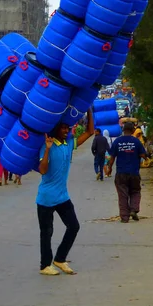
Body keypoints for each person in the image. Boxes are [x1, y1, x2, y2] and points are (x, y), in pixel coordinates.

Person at [37, 109, 94, 276]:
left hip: (62, 196)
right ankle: (44, 265)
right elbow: (42, 170)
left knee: (74, 226)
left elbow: (90, 132)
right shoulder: (46, 146)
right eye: (63, 128)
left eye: (67, 128)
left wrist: (90, 109)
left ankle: (60, 259)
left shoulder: (69, 145)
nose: (66, 130)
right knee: (47, 233)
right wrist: (47, 149)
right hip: (46, 198)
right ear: (55, 129)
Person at [105, 121, 148, 224]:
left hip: (121, 173)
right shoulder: (136, 142)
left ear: (123, 130)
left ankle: (124, 217)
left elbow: (112, 157)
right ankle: (133, 210)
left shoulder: (117, 142)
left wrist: (109, 168)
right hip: (134, 172)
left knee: (123, 194)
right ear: (133, 130)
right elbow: (143, 155)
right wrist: (145, 158)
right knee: (135, 191)